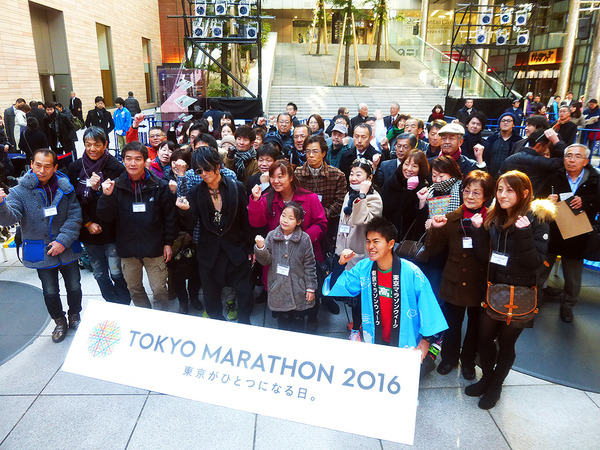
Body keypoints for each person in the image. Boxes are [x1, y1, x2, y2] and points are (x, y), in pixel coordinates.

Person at [467, 170, 553, 410]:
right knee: (484, 339)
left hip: (521, 293)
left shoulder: (538, 218)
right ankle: (486, 377)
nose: (502, 195)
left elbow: (535, 262)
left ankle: (496, 385)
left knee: (506, 344)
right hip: (494, 290)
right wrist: (476, 231)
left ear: (524, 193)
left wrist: (525, 233)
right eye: (500, 189)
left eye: (510, 190)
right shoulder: (496, 217)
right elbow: (486, 257)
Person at [323, 217, 448, 353]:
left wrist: (426, 340)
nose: (371, 246)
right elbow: (339, 287)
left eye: (376, 242)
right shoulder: (364, 268)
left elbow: (427, 306)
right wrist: (340, 265)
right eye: (368, 241)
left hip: (405, 340)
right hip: (374, 337)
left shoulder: (411, 272)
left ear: (391, 244)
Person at [0, 148, 83, 343]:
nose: (42, 170)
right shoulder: (19, 191)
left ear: (55, 167)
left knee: (74, 286)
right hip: (41, 250)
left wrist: (62, 241)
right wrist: (1, 204)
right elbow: (9, 218)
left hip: (67, 247)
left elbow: (75, 216)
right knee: (50, 290)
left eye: (47, 166)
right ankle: (59, 321)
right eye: (38, 165)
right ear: (31, 164)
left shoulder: (65, 187)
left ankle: (75, 316)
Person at [425, 170, 494, 379]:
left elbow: (489, 256)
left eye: (476, 192)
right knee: (452, 323)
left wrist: (480, 230)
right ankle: (448, 358)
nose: (470, 196)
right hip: (453, 279)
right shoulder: (450, 217)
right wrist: (435, 230)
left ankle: (468, 363)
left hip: (478, 282)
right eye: (467, 191)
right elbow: (433, 251)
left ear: (486, 196)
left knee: (474, 326)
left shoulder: (491, 220)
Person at [176, 147, 254, 323]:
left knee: (245, 292)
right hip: (209, 253)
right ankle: (217, 326)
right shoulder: (196, 192)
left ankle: (244, 324)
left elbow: (245, 219)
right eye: (199, 170)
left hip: (235, 250)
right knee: (211, 298)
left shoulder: (236, 187)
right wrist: (186, 211)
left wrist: (250, 246)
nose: (203, 173)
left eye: (207, 168)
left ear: (218, 165)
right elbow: (190, 223)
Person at [97, 141, 178, 308]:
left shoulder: (159, 185)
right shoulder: (115, 186)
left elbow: (170, 217)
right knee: (134, 289)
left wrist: (168, 242)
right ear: (123, 160)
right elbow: (105, 217)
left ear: (146, 161)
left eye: (138, 159)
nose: (133, 163)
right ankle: (145, 317)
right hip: (127, 249)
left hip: (155, 248)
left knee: (159, 289)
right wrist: (106, 197)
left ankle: (161, 317)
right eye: (128, 158)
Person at [67, 127, 130, 305]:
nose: (92, 149)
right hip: (89, 231)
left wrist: (98, 191)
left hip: (112, 229)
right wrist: (87, 223)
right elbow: (73, 201)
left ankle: (124, 304)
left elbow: (120, 201)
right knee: (99, 272)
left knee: (116, 271)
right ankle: (111, 304)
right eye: (88, 145)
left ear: (105, 145)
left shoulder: (115, 167)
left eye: (97, 144)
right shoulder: (75, 167)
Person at [540, 144, 600, 322]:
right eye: (568, 156)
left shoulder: (595, 181)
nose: (572, 160)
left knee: (573, 279)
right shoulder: (553, 177)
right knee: (540, 272)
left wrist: (586, 201)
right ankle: (533, 301)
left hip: (578, 236)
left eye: (577, 156)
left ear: (586, 161)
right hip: (552, 234)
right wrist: (546, 201)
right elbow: (539, 202)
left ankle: (567, 306)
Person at [335, 159, 383, 340]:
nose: (354, 178)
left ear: (369, 178)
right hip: (346, 252)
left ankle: (357, 328)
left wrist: (362, 195)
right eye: (352, 174)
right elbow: (343, 223)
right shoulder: (349, 194)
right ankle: (357, 323)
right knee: (352, 293)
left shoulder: (374, 198)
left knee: (361, 296)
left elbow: (362, 221)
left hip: (361, 255)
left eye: (359, 174)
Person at [254, 202, 317, 331]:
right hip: (279, 288)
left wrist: (310, 288)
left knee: (299, 323)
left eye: (291, 218)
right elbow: (265, 260)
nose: (285, 220)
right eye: (283, 215)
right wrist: (261, 248)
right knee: (282, 323)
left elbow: (309, 264)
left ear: (299, 221)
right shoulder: (272, 236)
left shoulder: (304, 239)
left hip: (298, 288)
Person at [381, 150, 429, 242]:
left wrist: (410, 191)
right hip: (388, 235)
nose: (409, 169)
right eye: (406, 164)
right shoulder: (392, 182)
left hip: (410, 238)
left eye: (414, 166)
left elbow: (417, 217)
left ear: (420, 168)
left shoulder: (423, 188)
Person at [499, 130, 563, 196]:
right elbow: (565, 160)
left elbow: (499, 178)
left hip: (509, 198)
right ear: (539, 145)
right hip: (531, 200)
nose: (546, 149)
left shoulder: (509, 159)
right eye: (546, 146)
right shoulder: (541, 162)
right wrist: (556, 142)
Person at [485, 112, 522, 177]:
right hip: (490, 175)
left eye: (509, 121)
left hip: (509, 177)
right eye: (503, 121)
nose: (505, 122)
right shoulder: (491, 139)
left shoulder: (518, 141)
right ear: (499, 124)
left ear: (513, 124)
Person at [42, 101, 76, 169]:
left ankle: (71, 168)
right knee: (57, 157)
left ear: (54, 109)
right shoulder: (45, 119)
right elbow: (45, 131)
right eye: (47, 110)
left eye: (51, 109)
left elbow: (71, 127)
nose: (49, 111)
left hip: (65, 139)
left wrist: (70, 138)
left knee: (69, 157)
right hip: (54, 141)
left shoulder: (62, 117)